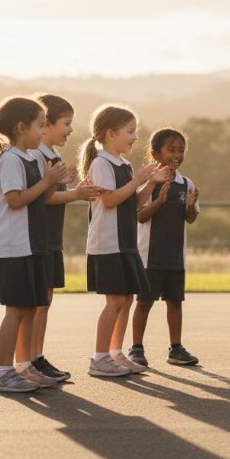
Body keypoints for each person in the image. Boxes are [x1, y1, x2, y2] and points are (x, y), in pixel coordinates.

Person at [0, 96, 67, 392]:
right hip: (13, 246)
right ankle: (3, 372)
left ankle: (24, 366)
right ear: (20, 127)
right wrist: (47, 181)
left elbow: (40, 197)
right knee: (15, 311)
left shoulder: (29, 157)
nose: (43, 132)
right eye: (39, 126)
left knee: (30, 309)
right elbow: (15, 201)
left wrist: (56, 180)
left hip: (32, 244)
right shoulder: (10, 159)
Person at [80, 104, 162, 377]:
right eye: (130, 131)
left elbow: (133, 202)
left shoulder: (124, 164)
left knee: (126, 300)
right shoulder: (101, 163)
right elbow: (111, 200)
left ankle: (115, 353)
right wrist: (138, 178)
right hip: (108, 244)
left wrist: (149, 183)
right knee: (114, 302)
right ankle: (99, 358)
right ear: (110, 133)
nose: (135, 137)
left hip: (126, 243)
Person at [28, 94, 101, 382]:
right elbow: (43, 198)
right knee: (36, 302)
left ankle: (36, 356)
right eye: (66, 124)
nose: (71, 130)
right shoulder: (34, 155)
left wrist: (68, 183)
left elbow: (52, 194)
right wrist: (75, 193)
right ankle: (28, 360)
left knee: (45, 300)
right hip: (37, 239)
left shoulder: (52, 156)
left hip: (51, 239)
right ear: (45, 125)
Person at [128, 128, 201, 367]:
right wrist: (159, 201)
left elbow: (190, 218)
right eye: (171, 150)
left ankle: (176, 348)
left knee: (175, 302)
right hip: (149, 255)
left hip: (175, 255)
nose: (177, 155)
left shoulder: (186, 183)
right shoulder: (150, 183)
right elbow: (140, 217)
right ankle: (136, 348)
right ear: (155, 153)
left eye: (181, 150)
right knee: (144, 302)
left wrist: (190, 205)